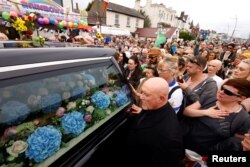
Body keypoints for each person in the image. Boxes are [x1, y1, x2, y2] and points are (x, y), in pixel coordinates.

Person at [126, 77, 184, 167]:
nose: (141, 97)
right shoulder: (153, 106)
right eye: (142, 92)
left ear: (161, 99)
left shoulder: (168, 137)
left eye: (146, 94)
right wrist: (141, 112)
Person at [182, 79, 250, 155]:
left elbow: (234, 144)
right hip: (180, 144)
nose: (221, 92)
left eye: (228, 92)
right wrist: (205, 112)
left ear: (241, 98)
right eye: (222, 88)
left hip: (201, 156)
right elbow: (186, 111)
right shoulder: (210, 98)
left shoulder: (243, 119)